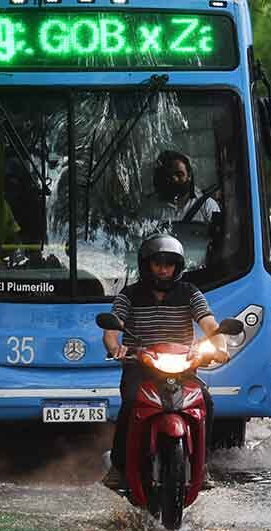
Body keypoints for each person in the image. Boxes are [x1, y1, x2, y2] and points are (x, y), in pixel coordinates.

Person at [102, 233, 228, 489]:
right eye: (157, 264)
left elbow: (210, 323)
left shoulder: (190, 293)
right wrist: (116, 347)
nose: (163, 269)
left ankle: (202, 466)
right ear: (146, 265)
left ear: (177, 267)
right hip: (140, 365)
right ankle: (118, 466)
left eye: (169, 264)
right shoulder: (130, 294)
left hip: (182, 366)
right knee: (130, 403)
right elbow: (111, 331)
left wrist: (220, 347)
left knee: (207, 401)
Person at [147, 149, 220, 224]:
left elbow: (220, 233)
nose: (174, 179)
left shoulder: (207, 206)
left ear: (189, 176)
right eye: (169, 175)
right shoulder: (150, 207)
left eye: (179, 175)